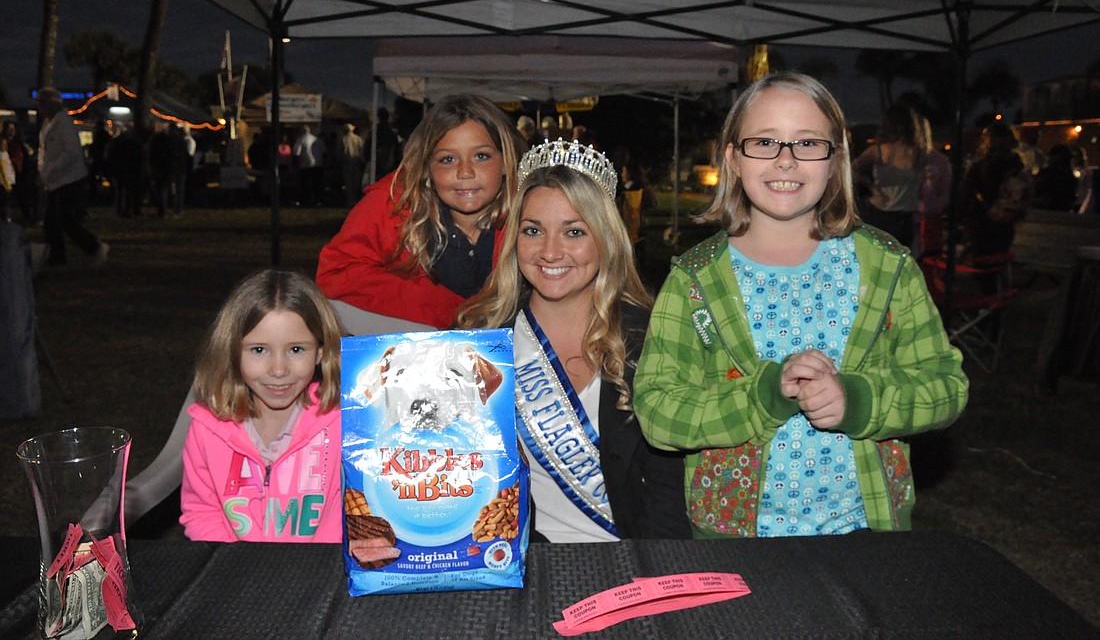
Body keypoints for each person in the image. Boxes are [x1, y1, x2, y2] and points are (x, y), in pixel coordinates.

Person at [633, 71, 968, 539]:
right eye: (764, 142)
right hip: (735, 539)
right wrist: (764, 397)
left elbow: (944, 387)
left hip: (862, 530)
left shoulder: (887, 266)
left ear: (836, 158)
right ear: (732, 156)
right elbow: (657, 411)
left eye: (808, 144)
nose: (786, 161)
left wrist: (858, 400)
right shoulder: (695, 279)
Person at [456, 140, 691, 542]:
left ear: (606, 238)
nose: (550, 251)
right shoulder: (480, 341)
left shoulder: (651, 338)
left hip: (630, 564)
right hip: (520, 564)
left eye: (574, 231)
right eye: (533, 231)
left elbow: (668, 492)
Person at [316, 94, 524, 330]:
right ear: (426, 167)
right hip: (418, 351)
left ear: (506, 161)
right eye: (447, 159)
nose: (465, 172)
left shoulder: (531, 211)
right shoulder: (395, 201)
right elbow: (335, 276)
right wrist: (451, 311)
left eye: (481, 156)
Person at [180, 269, 343, 542]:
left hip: (320, 570)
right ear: (232, 351)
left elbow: (357, 511)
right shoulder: (208, 429)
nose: (278, 370)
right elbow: (202, 512)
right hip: (237, 572)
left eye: (296, 350)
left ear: (321, 352)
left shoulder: (342, 422)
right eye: (258, 350)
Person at [36, 88, 109, 268]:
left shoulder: (64, 123)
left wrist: (50, 169)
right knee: (52, 221)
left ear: (53, 103)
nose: (40, 107)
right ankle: (57, 256)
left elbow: (71, 152)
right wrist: (44, 171)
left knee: (65, 220)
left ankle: (95, 247)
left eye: (43, 102)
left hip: (70, 179)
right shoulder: (49, 123)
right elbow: (45, 151)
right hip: (56, 180)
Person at [853, 102, 926, 250]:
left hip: (882, 214)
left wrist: (871, 187)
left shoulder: (880, 151)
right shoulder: (919, 153)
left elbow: (850, 170)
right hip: (904, 217)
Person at [958, 122, 1031, 258]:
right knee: (996, 263)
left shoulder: (982, 166)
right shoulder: (1017, 163)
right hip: (1005, 224)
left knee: (983, 264)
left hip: (982, 223)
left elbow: (967, 193)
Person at [915, 112, 951, 258]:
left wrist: (932, 208)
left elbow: (945, 190)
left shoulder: (939, 160)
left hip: (930, 219)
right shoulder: (901, 159)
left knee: (929, 262)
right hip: (907, 218)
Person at [293, 123, 327, 207]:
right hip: (318, 164)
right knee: (317, 184)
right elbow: (324, 151)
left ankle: (304, 200)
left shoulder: (300, 140)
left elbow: (296, 153)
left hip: (305, 165)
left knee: (304, 184)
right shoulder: (317, 139)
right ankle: (318, 200)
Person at [339, 123, 367, 206]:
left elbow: (339, 152)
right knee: (356, 183)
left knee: (349, 183)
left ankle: (351, 200)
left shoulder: (343, 139)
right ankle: (356, 200)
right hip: (357, 163)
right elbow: (362, 150)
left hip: (347, 164)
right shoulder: (358, 138)